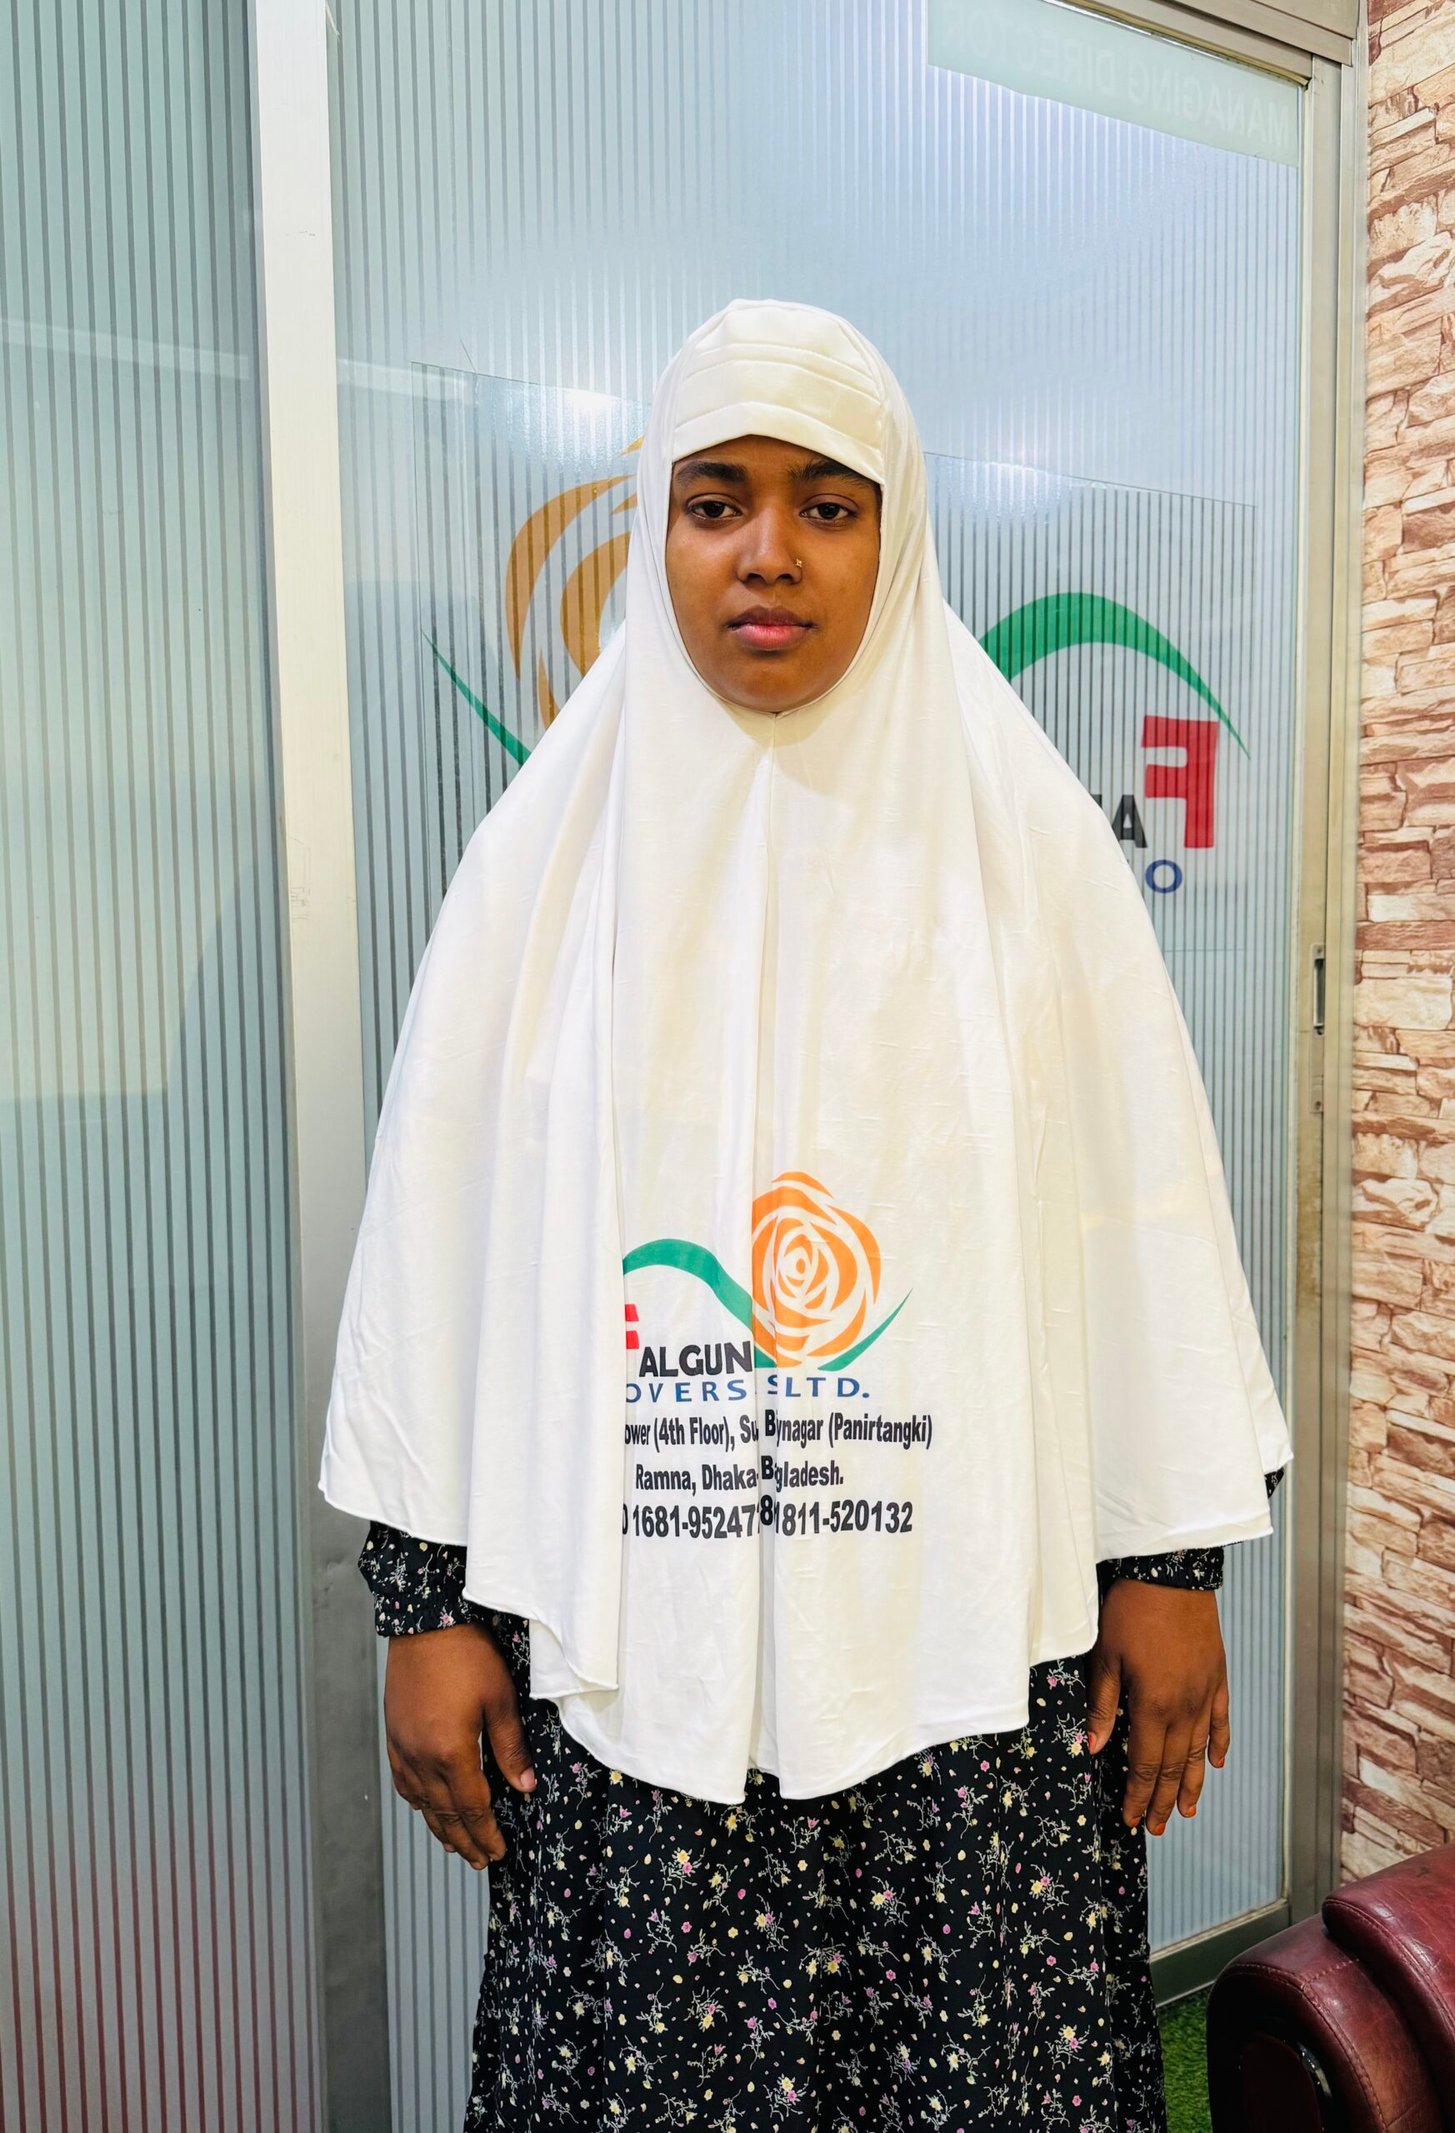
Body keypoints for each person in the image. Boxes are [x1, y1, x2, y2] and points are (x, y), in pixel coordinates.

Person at [321, 300, 1289, 2131]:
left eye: (827, 505)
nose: (767, 551)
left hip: (973, 1694)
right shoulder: (543, 870)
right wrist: (423, 1606)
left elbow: (1140, 1209)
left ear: (895, 532)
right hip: (640, 1677)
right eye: (717, 500)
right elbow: (439, 1248)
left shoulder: (1027, 852)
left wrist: (1168, 1568)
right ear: (659, 530)